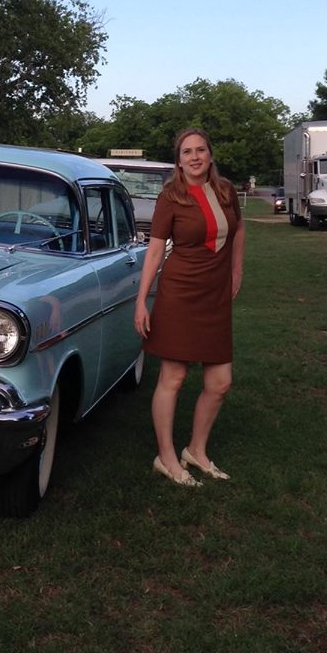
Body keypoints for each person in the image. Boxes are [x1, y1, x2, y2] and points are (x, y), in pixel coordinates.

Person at [133, 128, 246, 486]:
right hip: (180, 293)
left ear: (210, 155)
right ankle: (166, 456)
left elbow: (239, 231)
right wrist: (141, 300)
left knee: (220, 382)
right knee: (174, 377)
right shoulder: (171, 197)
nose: (195, 156)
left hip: (214, 296)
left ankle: (196, 450)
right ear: (178, 160)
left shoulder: (226, 191)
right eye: (187, 152)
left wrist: (236, 271)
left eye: (200, 150)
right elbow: (155, 250)